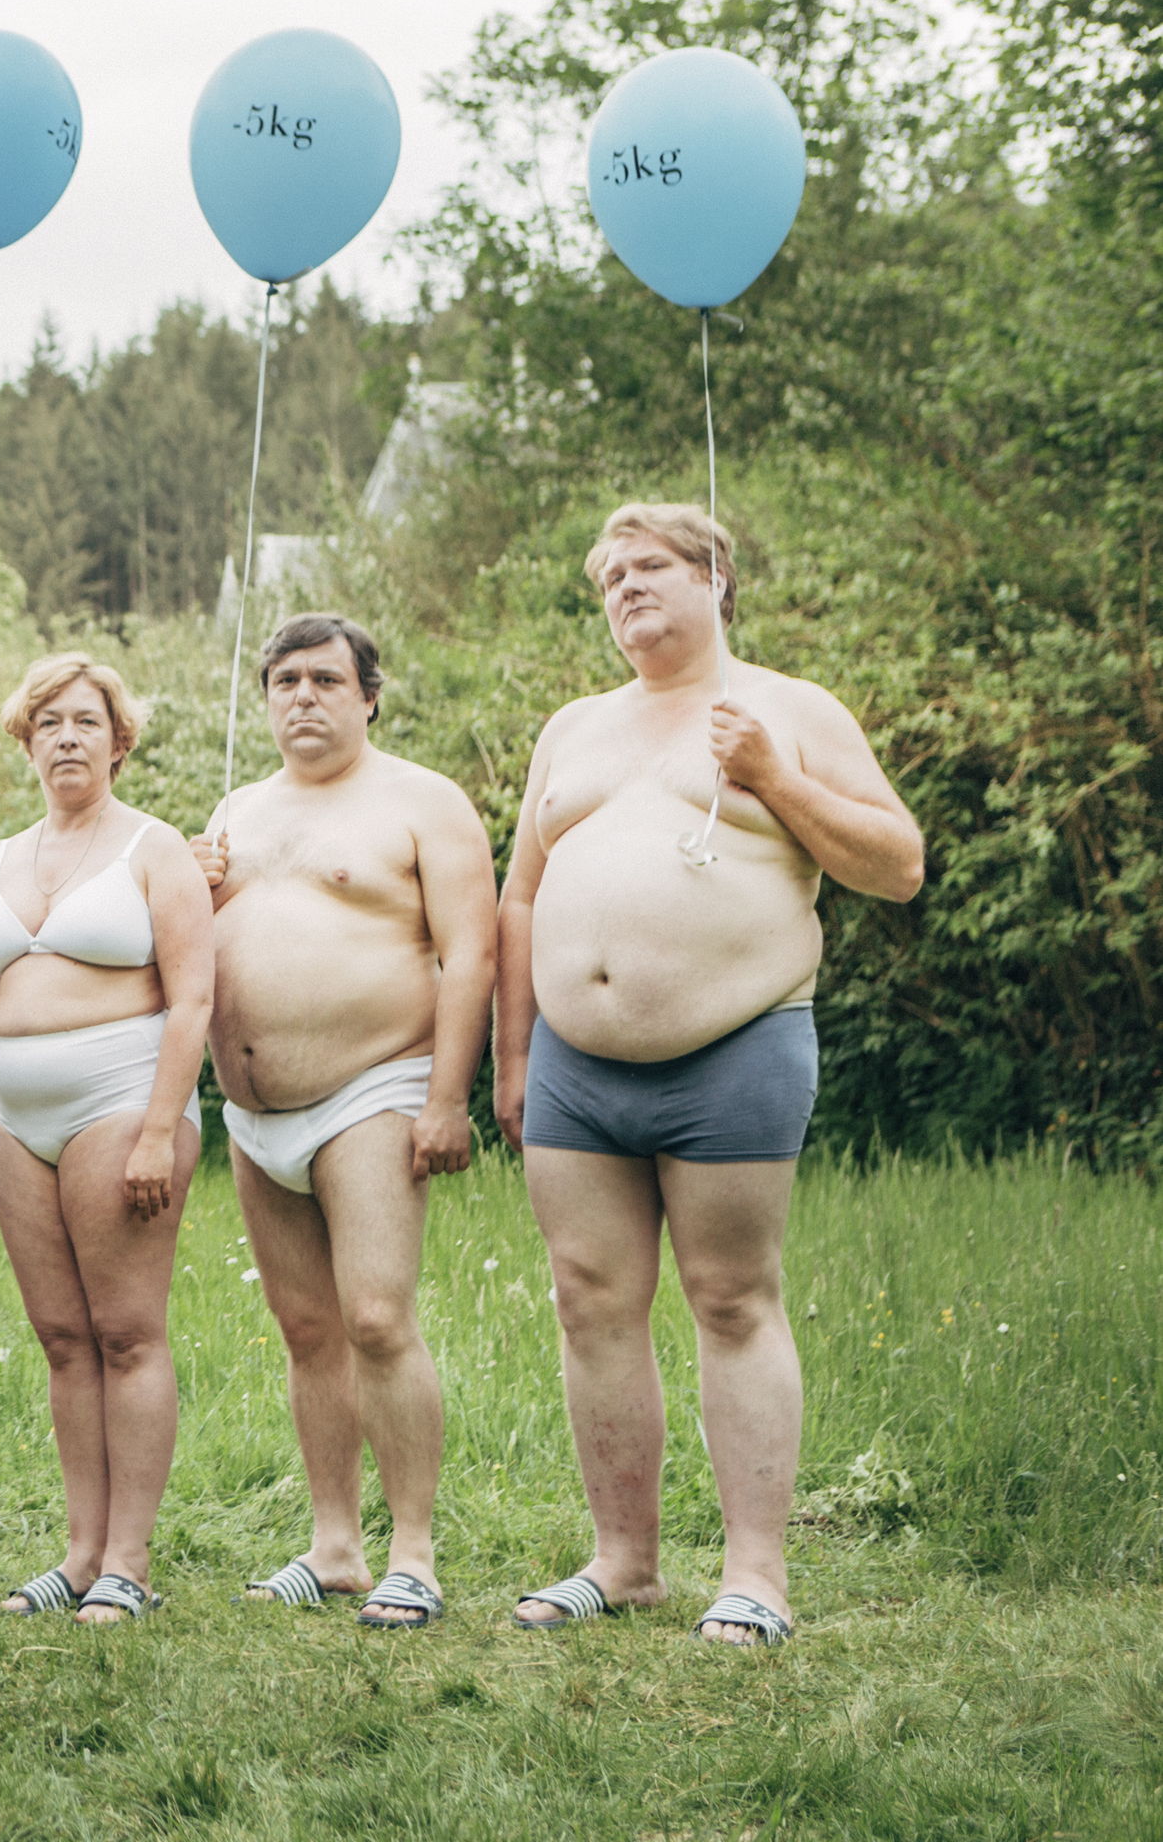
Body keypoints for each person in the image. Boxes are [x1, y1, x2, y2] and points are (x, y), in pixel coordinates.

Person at [497, 504, 921, 1646]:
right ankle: (623, 1563)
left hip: (734, 1046)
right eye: (607, 579)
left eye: (648, 568)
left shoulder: (786, 710)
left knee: (731, 1299)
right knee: (588, 1303)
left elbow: (897, 864)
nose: (624, 589)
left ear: (713, 577)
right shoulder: (573, 727)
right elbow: (522, 895)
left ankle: (754, 1577)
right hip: (572, 1069)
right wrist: (511, 1052)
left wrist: (775, 778)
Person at [193, 614, 496, 1630]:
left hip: (373, 1086)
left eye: (325, 679)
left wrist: (447, 1097)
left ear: (369, 693)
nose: (303, 697)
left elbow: (472, 955)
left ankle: (412, 1551)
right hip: (250, 1111)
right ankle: (333, 1547)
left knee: (374, 1317)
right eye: (284, 680)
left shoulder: (422, 802)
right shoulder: (238, 807)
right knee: (306, 1329)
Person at [0, 653, 213, 1627]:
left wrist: (155, 1130)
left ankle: (129, 1563)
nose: (64, 736)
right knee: (61, 1341)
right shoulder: (1, 860)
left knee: (126, 1334)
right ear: (24, 740)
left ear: (117, 740)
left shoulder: (154, 847)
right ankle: (79, 1552)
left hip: (120, 1099)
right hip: (18, 1116)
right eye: (46, 721)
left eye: (84, 721)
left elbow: (193, 999)